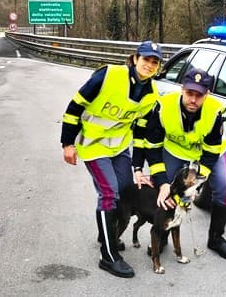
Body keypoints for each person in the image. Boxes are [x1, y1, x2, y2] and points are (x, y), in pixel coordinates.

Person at [60, 40, 161, 278]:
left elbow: (140, 132)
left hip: (118, 147)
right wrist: (67, 143)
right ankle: (108, 255)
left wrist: (138, 167)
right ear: (135, 58)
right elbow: (75, 107)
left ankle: (105, 232)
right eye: (146, 59)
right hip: (93, 146)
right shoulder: (108, 75)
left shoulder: (151, 94)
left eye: (155, 62)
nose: (149, 65)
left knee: (126, 188)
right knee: (109, 193)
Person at [139, 67, 226, 261]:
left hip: (208, 153)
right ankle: (162, 232)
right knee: (164, 190)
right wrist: (161, 181)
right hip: (174, 150)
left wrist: (195, 186)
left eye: (199, 95)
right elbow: (152, 147)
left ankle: (216, 238)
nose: (193, 99)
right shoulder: (164, 106)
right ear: (182, 89)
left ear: (207, 94)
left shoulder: (214, 112)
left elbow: (210, 153)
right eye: (189, 93)